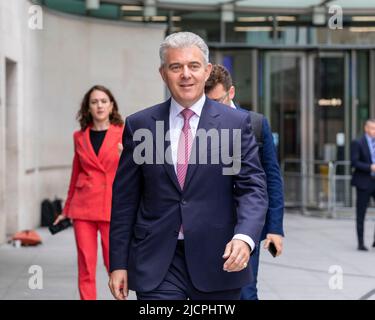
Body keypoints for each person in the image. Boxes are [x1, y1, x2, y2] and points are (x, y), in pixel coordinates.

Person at [108, 32, 268, 300]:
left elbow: (252, 188)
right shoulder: (140, 125)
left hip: (219, 259)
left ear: (206, 71)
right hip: (157, 262)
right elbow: (125, 200)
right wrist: (118, 263)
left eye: (193, 66)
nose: (186, 74)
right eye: (175, 67)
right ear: (163, 73)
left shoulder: (236, 124)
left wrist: (245, 237)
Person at [205, 64, 284, 300]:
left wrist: (275, 228)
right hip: (208, 223)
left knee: (246, 292)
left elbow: (272, 177)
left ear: (231, 92)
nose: (212, 108)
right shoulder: (198, 124)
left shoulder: (256, 123)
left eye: (217, 100)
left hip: (247, 223)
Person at [54, 85, 124, 299]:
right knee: (86, 265)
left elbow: (135, 173)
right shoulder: (79, 137)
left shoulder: (122, 133)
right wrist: (66, 210)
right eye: (94, 102)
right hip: (83, 208)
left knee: (114, 265)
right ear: (88, 108)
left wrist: (125, 155)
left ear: (111, 106)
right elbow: (75, 173)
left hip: (112, 207)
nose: (99, 105)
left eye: (104, 101)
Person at [351, 119, 375, 251]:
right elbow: (354, 162)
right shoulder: (357, 142)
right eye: (372, 128)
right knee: (361, 214)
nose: (374, 131)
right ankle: (360, 243)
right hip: (364, 183)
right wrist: (370, 167)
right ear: (366, 128)